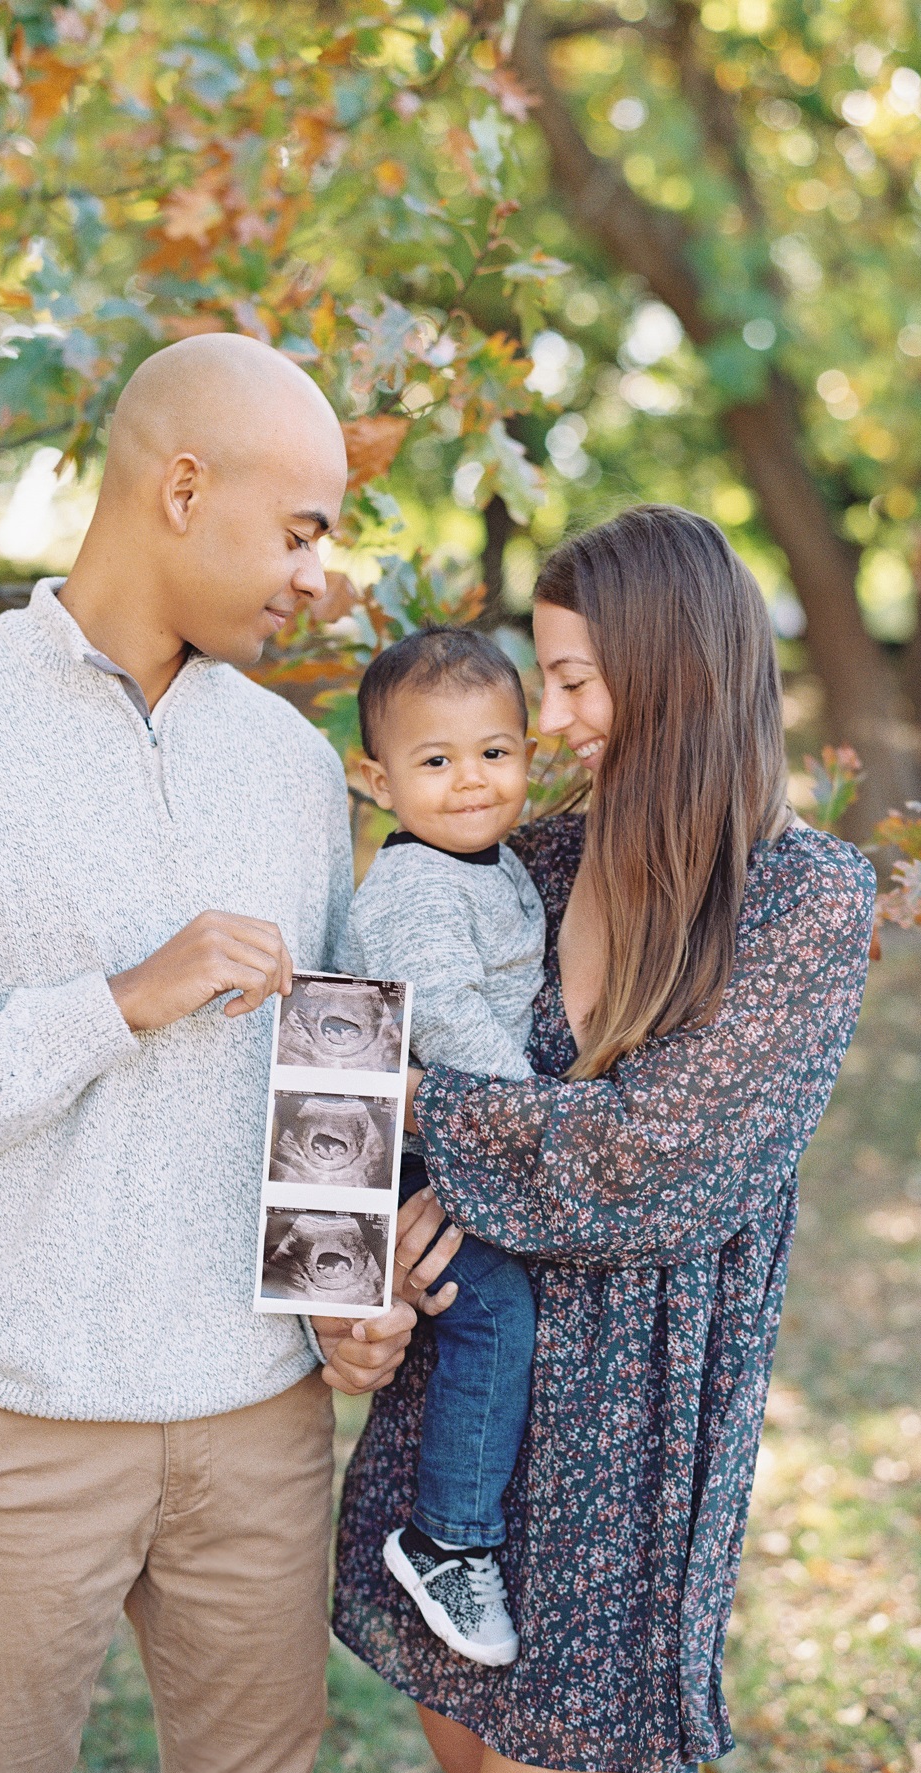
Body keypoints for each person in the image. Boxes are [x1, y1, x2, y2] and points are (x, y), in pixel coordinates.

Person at [0, 332, 434, 1773]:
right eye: (298, 532)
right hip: (9, 1429)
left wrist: (351, 1298)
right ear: (178, 487)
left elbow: (332, 1065)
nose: (313, 576)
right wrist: (120, 1002)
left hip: (257, 1420)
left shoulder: (288, 759)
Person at [330, 504, 877, 1773]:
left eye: (575, 679)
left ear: (672, 665)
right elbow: (378, 1038)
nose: (557, 717)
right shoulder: (535, 859)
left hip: (621, 1459)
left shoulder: (800, 898)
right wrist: (366, 1274)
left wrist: (426, 1112)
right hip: (458, 1435)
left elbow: (644, 1166)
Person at [346, 627, 548, 1668]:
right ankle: (448, 1541)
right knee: (496, 1312)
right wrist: (533, 1133)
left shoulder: (492, 861)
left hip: (471, 1129)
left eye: (495, 753)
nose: (471, 781)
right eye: (436, 761)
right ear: (379, 780)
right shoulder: (419, 888)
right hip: (428, 1148)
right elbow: (453, 1024)